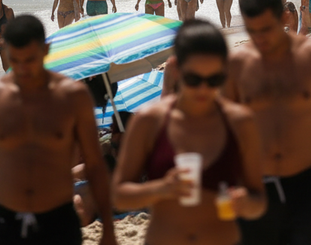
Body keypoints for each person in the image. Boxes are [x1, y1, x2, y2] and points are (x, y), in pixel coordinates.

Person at [112, 20, 266, 245]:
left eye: (214, 80)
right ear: (176, 69)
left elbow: (258, 200)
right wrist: (161, 189)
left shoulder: (240, 122)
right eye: (194, 80)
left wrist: (245, 204)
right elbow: (119, 195)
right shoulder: (150, 121)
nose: (204, 89)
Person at [226, 0, 311, 245]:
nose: (259, 38)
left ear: (284, 17)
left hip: (306, 184)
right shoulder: (238, 65)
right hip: (254, 188)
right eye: (252, 31)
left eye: (266, 29)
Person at [0, 15, 116, 245]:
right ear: (5, 50)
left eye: (30, 60)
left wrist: (108, 229)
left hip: (58, 218)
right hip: (6, 217)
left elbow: (94, 164)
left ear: (46, 49)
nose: (22, 69)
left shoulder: (72, 96)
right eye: (15, 60)